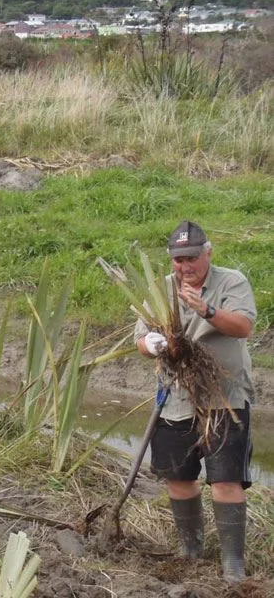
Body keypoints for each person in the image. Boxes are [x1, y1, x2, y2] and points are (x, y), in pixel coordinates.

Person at [135, 221, 254, 583]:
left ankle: (232, 562)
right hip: (176, 398)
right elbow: (140, 339)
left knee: (225, 481)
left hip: (225, 398)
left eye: (192, 257)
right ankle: (191, 549)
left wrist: (207, 310)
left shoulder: (232, 282)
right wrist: (151, 344)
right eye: (178, 259)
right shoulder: (161, 290)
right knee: (179, 478)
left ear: (208, 253)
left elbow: (244, 327)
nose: (185, 266)